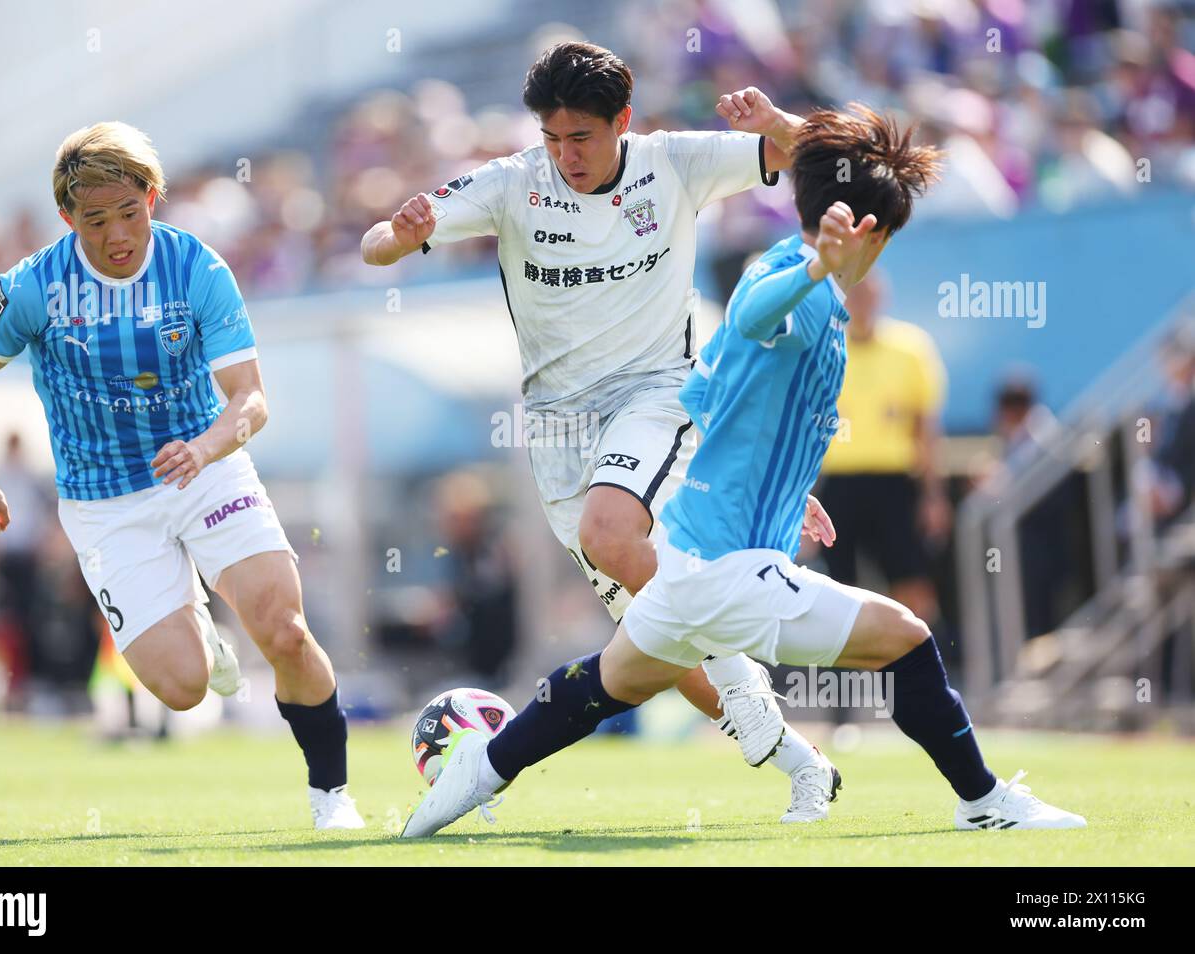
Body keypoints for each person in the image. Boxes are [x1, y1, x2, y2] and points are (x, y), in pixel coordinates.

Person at [402, 103, 1086, 838]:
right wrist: (821, 263)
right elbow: (759, 314)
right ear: (870, 234)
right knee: (908, 636)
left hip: (685, 565)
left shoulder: (795, 278)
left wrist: (797, 496)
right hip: (729, 574)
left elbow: (709, 392)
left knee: (597, 691)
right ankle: (982, 801)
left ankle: (470, 778)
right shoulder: (798, 280)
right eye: (883, 240)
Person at [362, 41, 839, 821]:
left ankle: (767, 671)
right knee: (659, 645)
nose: (565, 155)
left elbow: (823, 156)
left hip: (655, 396)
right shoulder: (514, 183)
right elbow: (376, 245)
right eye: (552, 138)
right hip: (556, 431)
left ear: (622, 121)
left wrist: (775, 119)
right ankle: (802, 762)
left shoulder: (676, 164)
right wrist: (400, 231)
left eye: (580, 137)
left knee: (613, 533)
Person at [0, 121, 363, 829]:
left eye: (129, 212)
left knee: (286, 630)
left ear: (153, 196)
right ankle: (198, 630)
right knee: (181, 689)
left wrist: (205, 449)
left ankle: (332, 795)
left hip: (204, 468)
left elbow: (250, 398)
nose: (116, 234)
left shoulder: (195, 267)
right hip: (105, 504)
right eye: (95, 220)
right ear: (67, 218)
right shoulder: (35, 286)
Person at [817, 270, 949, 627]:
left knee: (910, 577)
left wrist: (933, 495)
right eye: (853, 295)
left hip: (894, 484)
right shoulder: (824, 350)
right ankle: (851, 674)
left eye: (867, 294)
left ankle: (921, 661)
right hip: (839, 484)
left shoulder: (910, 348)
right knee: (836, 584)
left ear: (880, 298)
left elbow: (925, 428)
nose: (860, 303)